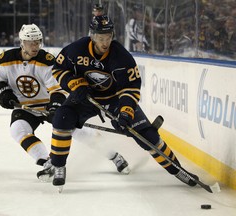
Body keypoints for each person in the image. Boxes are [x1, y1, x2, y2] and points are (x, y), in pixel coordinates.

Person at [48, 15, 199, 189]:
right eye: (101, 38)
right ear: (92, 35)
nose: (105, 42)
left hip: (114, 99)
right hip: (86, 97)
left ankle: (177, 169)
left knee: (147, 136)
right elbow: (58, 69)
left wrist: (126, 112)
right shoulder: (76, 50)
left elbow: (131, 88)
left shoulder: (121, 56)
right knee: (62, 117)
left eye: (108, 37)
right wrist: (74, 84)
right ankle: (58, 166)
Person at [0, 23, 130, 181]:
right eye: (31, 43)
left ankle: (114, 156)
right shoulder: (5, 59)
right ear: (22, 43)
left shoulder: (47, 61)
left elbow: (58, 89)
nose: (36, 46)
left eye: (38, 42)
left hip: (49, 104)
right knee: (17, 130)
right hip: (26, 107)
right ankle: (47, 162)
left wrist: (55, 106)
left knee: (78, 132)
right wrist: (4, 93)